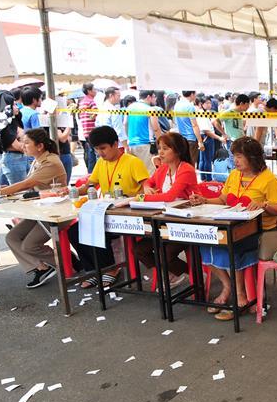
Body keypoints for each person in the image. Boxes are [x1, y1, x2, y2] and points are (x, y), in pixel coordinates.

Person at [189, 137, 277, 321]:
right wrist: (205, 200)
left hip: (262, 230)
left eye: (239, 156)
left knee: (234, 245)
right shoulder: (234, 175)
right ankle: (228, 286)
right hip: (233, 225)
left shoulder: (269, 179)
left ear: (253, 157)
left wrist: (264, 204)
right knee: (204, 244)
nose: (235, 160)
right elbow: (224, 199)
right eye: (234, 156)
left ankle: (240, 295)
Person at [0, 129, 67, 288]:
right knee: (12, 237)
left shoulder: (51, 162)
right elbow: (30, 186)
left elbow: (27, 184)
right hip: (40, 211)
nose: (23, 146)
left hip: (56, 212)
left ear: (40, 146)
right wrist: (6, 191)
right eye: (22, 142)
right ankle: (41, 268)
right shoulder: (37, 160)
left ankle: (68, 263)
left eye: (26, 142)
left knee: (28, 245)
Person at [69, 126, 150, 289]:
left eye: (103, 148)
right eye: (97, 149)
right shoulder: (101, 163)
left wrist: (132, 199)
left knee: (97, 229)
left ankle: (111, 269)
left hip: (128, 213)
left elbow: (146, 189)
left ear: (115, 144)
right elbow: (90, 185)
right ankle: (93, 269)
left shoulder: (132, 162)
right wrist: (74, 190)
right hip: (105, 211)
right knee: (74, 231)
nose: (100, 153)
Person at [132, 132, 198, 289]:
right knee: (139, 250)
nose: (160, 152)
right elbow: (148, 182)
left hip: (186, 222)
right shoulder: (163, 169)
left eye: (165, 148)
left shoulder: (186, 169)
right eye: (159, 148)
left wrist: (141, 198)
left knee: (164, 254)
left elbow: (169, 196)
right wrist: (147, 188)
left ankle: (192, 274)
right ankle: (170, 273)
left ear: (177, 151)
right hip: (164, 221)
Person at [0, 92, 29, 186]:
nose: (17, 107)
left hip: (19, 158)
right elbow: (17, 145)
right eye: (14, 104)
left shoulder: (13, 120)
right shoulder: (4, 123)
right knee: (20, 190)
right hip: (14, 159)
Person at [127, 90, 163, 172]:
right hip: (146, 144)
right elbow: (156, 128)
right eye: (154, 97)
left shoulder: (130, 107)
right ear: (148, 97)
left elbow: (125, 123)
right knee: (148, 172)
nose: (155, 99)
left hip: (131, 144)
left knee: (135, 172)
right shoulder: (151, 109)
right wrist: (161, 142)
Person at [174, 90, 205, 169]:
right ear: (191, 94)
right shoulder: (190, 106)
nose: (195, 96)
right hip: (191, 139)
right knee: (190, 165)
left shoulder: (177, 105)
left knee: (182, 164)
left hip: (181, 138)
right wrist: (200, 142)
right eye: (195, 94)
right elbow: (194, 125)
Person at [195, 95, 224, 177]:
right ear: (201, 104)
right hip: (206, 137)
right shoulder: (201, 114)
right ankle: (207, 179)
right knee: (206, 159)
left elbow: (213, 122)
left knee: (203, 159)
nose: (209, 105)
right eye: (207, 103)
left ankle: (203, 177)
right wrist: (219, 138)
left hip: (205, 137)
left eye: (210, 103)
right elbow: (206, 131)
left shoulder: (207, 112)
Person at [77, 83, 98, 173]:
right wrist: (93, 117)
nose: (95, 91)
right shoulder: (91, 101)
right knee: (96, 153)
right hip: (92, 130)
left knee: (90, 153)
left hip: (85, 131)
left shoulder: (82, 102)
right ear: (89, 91)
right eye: (94, 89)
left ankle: (90, 173)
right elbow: (94, 115)